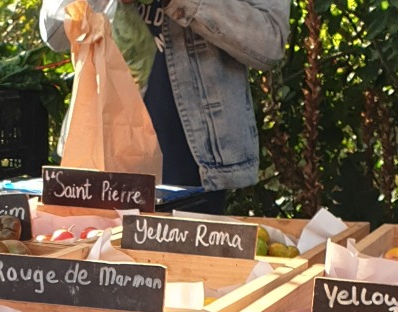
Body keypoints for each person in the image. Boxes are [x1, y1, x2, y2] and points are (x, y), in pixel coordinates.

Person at [40, 0, 291, 213]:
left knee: (186, 268)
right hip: (102, 157)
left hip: (195, 165)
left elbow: (270, 40)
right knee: (101, 264)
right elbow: (53, 33)